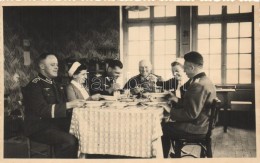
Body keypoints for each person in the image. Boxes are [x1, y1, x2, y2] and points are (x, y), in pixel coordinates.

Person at [23, 53, 87, 158]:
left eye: (57, 64)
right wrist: (69, 105)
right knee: (69, 141)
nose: (56, 67)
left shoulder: (55, 84)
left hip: (54, 122)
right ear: (42, 67)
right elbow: (42, 110)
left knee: (82, 131)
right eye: (52, 65)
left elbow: (61, 105)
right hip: (38, 127)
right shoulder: (34, 86)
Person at [161, 51, 217, 158]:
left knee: (163, 128)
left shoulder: (198, 85)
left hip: (197, 128)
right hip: (203, 124)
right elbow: (192, 105)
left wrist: (169, 109)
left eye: (185, 68)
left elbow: (190, 114)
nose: (184, 71)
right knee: (166, 125)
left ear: (191, 67)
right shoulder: (204, 80)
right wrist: (175, 99)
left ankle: (162, 158)